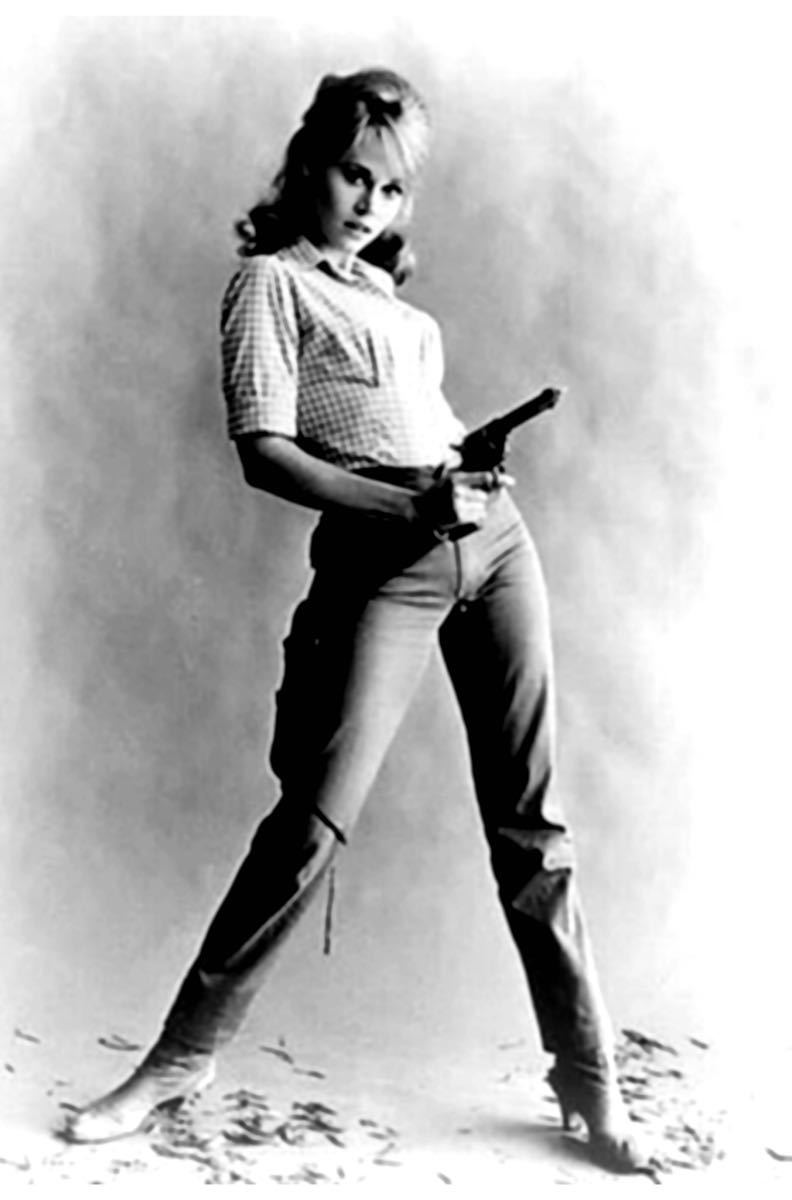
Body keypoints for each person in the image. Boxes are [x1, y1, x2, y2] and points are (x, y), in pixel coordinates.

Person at [63, 67, 647, 1174]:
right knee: (309, 826)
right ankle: (179, 1061)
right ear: (306, 169)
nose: (369, 203)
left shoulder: (397, 310)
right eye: (351, 175)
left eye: (391, 188)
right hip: (390, 561)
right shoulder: (268, 286)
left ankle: (588, 1073)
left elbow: (419, 427)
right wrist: (410, 507)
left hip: (495, 549)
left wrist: (467, 467)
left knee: (532, 824)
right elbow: (266, 453)